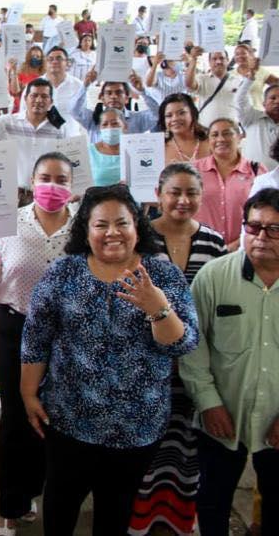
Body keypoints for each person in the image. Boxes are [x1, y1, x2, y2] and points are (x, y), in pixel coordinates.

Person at [21, 185, 198, 535]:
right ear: (86, 231)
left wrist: (158, 308)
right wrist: (28, 394)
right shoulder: (64, 273)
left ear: (137, 227)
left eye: (122, 223)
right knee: (59, 509)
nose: (112, 233)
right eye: (101, 225)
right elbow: (36, 338)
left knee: (115, 516)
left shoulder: (163, 276)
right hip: (69, 419)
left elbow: (182, 344)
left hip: (137, 426)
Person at [128, 163, 226, 536]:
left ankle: (178, 518)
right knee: (146, 444)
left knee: (186, 444)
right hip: (147, 363)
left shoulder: (214, 242)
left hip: (195, 361)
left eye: (192, 193)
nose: (183, 200)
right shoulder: (139, 239)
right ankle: (139, 520)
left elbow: (216, 306)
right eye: (175, 192)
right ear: (159, 193)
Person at [180, 187, 279, 535]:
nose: (261, 237)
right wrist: (209, 403)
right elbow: (193, 345)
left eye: (274, 229)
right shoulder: (213, 276)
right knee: (212, 500)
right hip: (222, 415)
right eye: (254, 227)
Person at [0, 153, 75, 536]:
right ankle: (10, 505)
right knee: (15, 416)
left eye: (61, 179)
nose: (52, 186)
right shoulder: (9, 221)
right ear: (33, 180)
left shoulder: (83, 227)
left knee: (52, 414)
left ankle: (34, 490)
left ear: (72, 186)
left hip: (65, 330)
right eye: (45, 177)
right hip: (16, 324)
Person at [193, 118, 266, 249]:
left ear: (239, 137)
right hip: (201, 248)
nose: (221, 139)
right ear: (209, 140)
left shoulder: (256, 171)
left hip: (244, 249)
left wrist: (236, 245)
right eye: (215, 135)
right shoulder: (193, 170)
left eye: (227, 133)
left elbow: (265, 214)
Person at [72, 70, 160, 143]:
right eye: (109, 93)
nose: (113, 96)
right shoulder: (92, 118)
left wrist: (142, 91)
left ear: (127, 98)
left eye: (119, 93)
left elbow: (158, 114)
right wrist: (85, 86)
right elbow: (74, 111)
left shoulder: (138, 118)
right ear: (102, 98)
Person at [185, 47, 239, 129]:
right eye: (214, 59)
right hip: (206, 130)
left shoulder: (238, 80)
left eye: (222, 58)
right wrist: (194, 60)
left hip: (231, 131)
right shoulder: (202, 79)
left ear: (227, 60)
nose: (218, 61)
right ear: (209, 62)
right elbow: (189, 84)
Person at [236, 77, 279, 170]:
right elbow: (239, 100)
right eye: (273, 98)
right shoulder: (251, 118)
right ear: (264, 103)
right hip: (251, 175)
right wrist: (249, 78)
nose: (277, 101)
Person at [160, 93, 211, 163]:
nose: (175, 119)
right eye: (169, 115)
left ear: (193, 114)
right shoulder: (159, 148)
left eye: (181, 113)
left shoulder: (211, 143)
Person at [88, 108, 125, 186]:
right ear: (99, 128)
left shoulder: (133, 151)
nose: (110, 128)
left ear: (124, 126)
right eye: (104, 124)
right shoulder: (89, 152)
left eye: (115, 123)